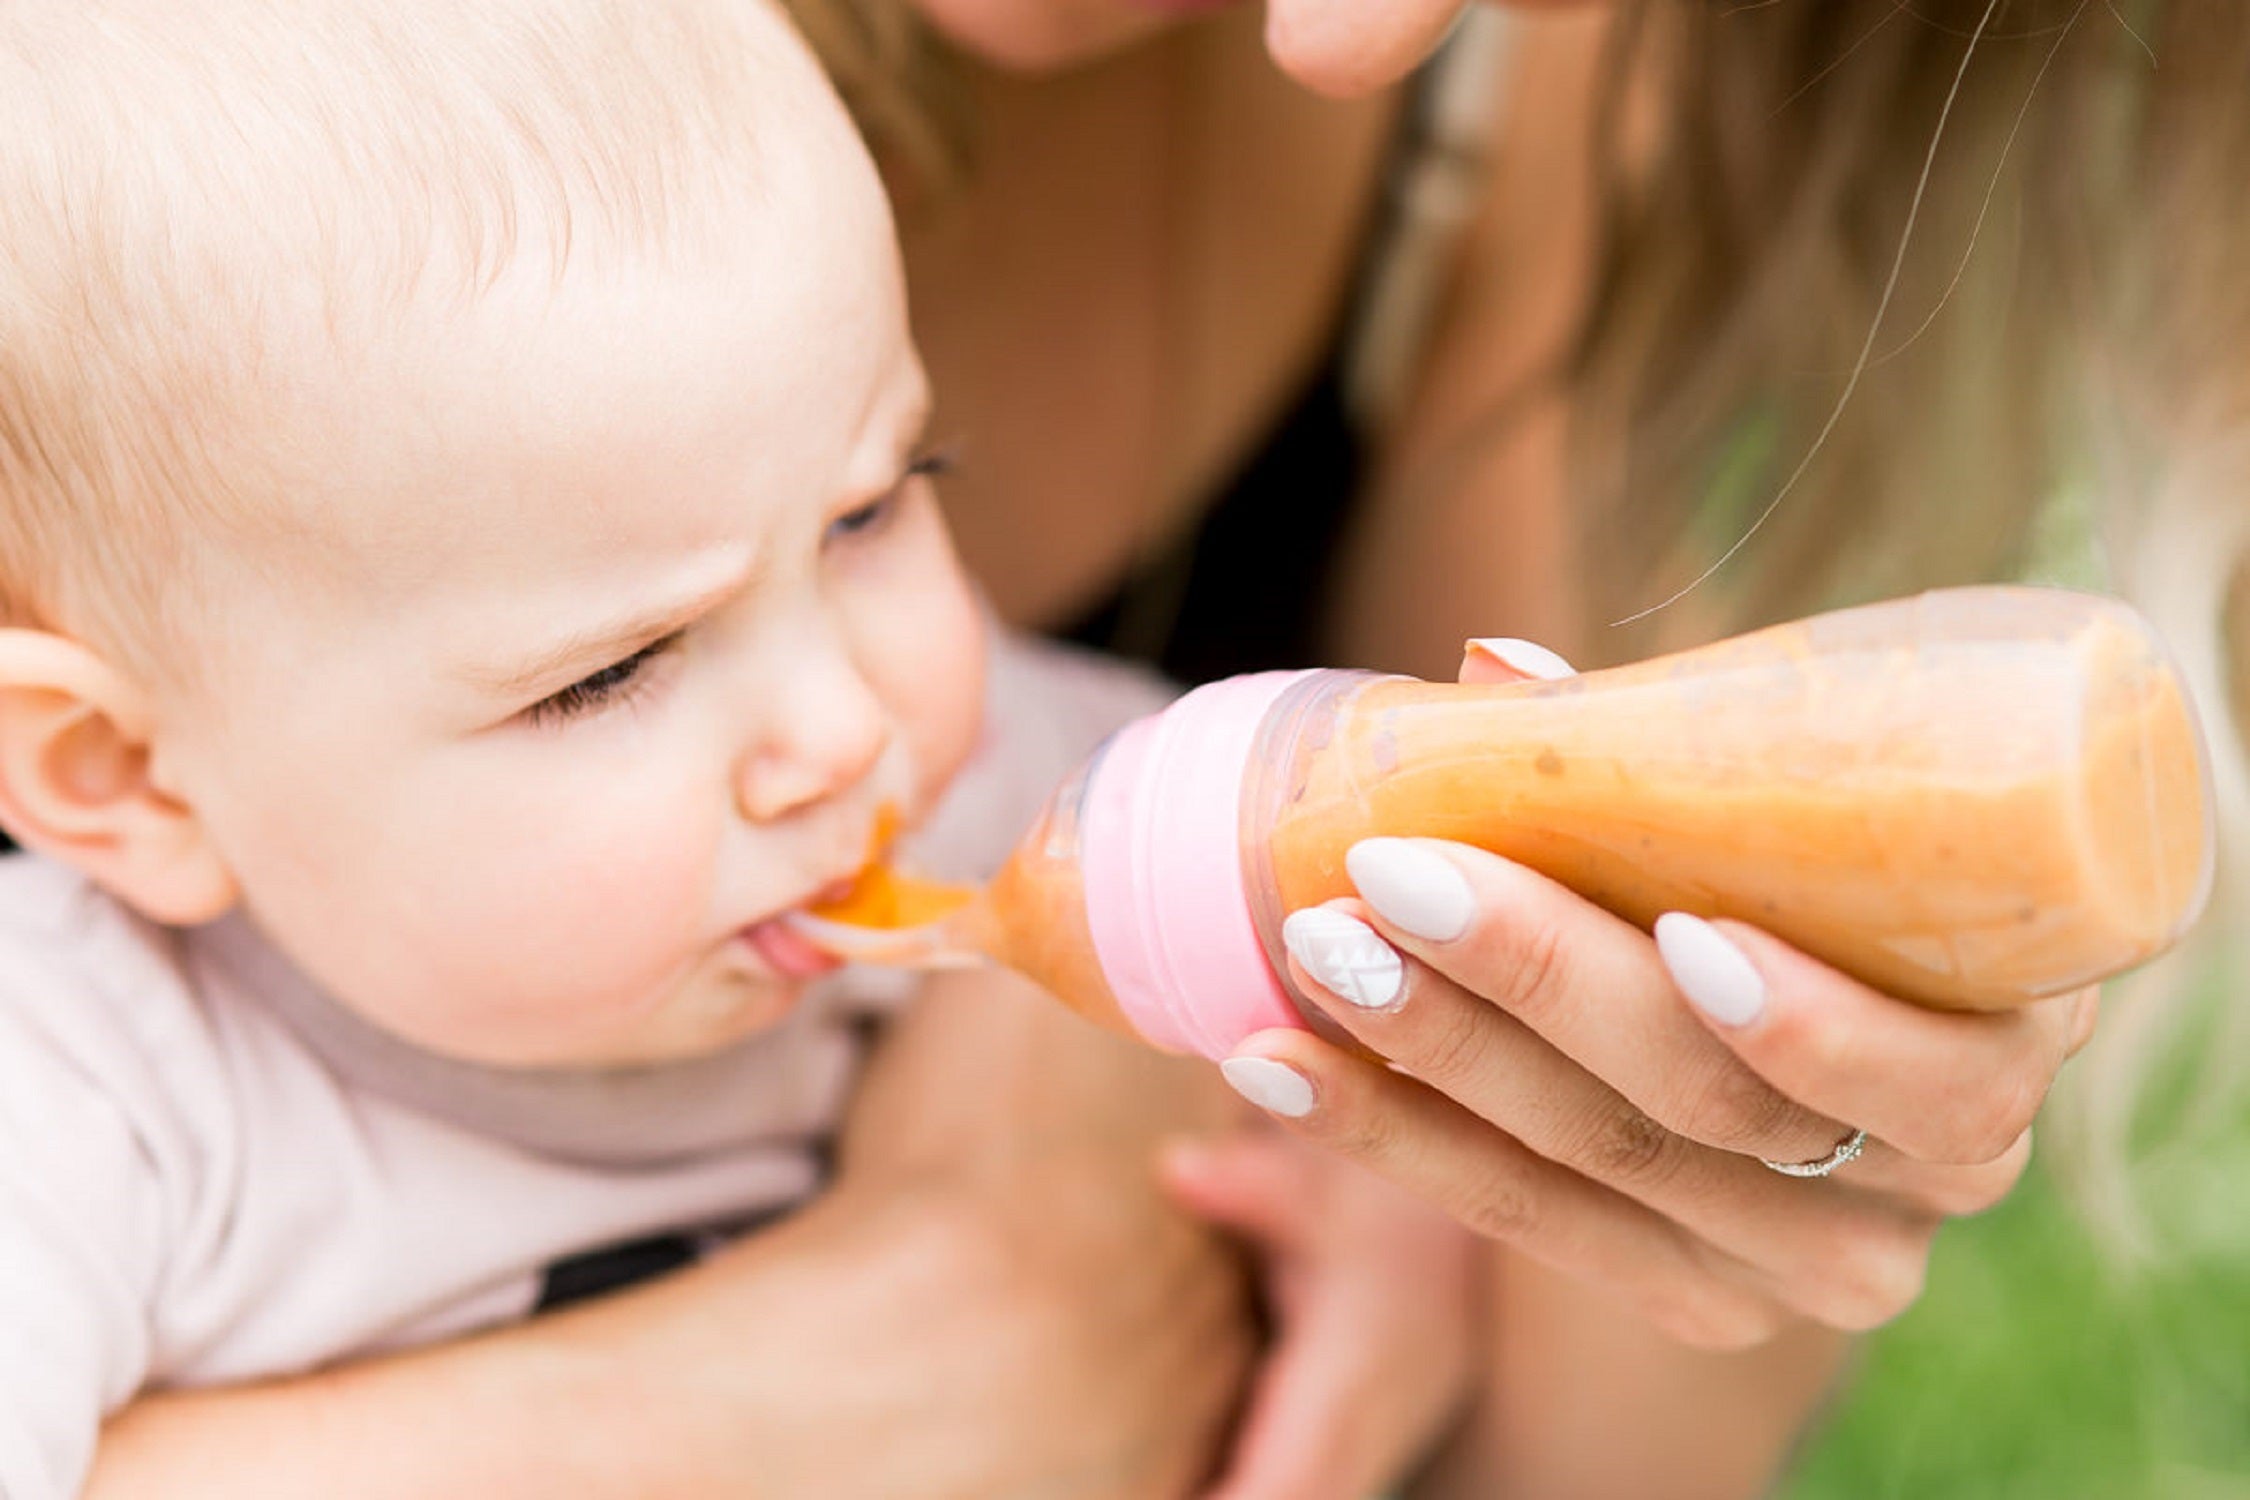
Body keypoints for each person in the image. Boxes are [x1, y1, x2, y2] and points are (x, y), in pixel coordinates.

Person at [0, 2, 1479, 1496]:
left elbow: (1298, 880)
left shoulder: (1018, 799)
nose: (845, 736)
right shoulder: (79, 1102)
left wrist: (1380, 1194)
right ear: (121, 777)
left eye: (871, 509)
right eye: (611, 672)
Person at [781, 0, 2250, 1492]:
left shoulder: (1489, 107)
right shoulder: (535, 155)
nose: (1349, 39)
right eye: (597, 678)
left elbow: (1594, 1454)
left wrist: (1672, 1150)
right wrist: (766, 1389)